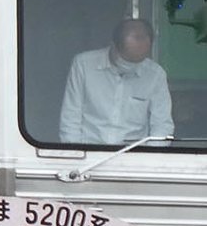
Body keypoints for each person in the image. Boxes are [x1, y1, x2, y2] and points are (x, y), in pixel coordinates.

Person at [57, 17, 173, 146]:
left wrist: (150, 158)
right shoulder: (84, 65)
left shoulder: (155, 75)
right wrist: (74, 155)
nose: (130, 66)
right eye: (126, 60)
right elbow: (70, 118)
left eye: (137, 61)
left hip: (135, 158)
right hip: (88, 154)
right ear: (113, 46)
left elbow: (162, 126)